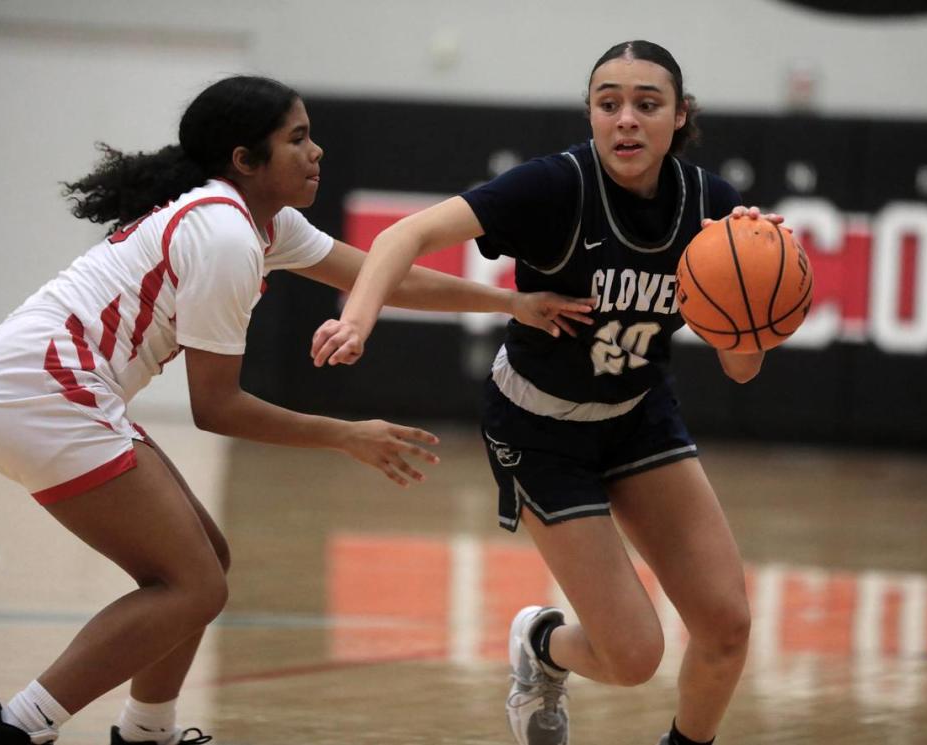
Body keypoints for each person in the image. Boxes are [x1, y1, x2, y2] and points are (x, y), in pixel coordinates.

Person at [0, 75, 595, 745]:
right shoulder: (223, 237)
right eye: (297, 139)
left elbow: (387, 276)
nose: (316, 151)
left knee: (204, 559)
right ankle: (14, 728)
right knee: (192, 585)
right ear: (245, 160)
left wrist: (512, 303)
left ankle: (147, 730)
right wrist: (346, 435)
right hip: (40, 395)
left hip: (41, 387)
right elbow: (216, 407)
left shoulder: (258, 223)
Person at [311, 41, 789, 745]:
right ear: (591, 113)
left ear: (679, 116)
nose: (626, 120)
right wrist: (356, 320)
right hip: (539, 430)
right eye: (608, 103)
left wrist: (756, 286)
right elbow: (407, 234)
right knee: (634, 657)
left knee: (727, 625)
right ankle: (541, 643)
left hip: (636, 416)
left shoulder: (710, 205)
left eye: (647, 105)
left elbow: (742, 369)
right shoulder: (555, 186)